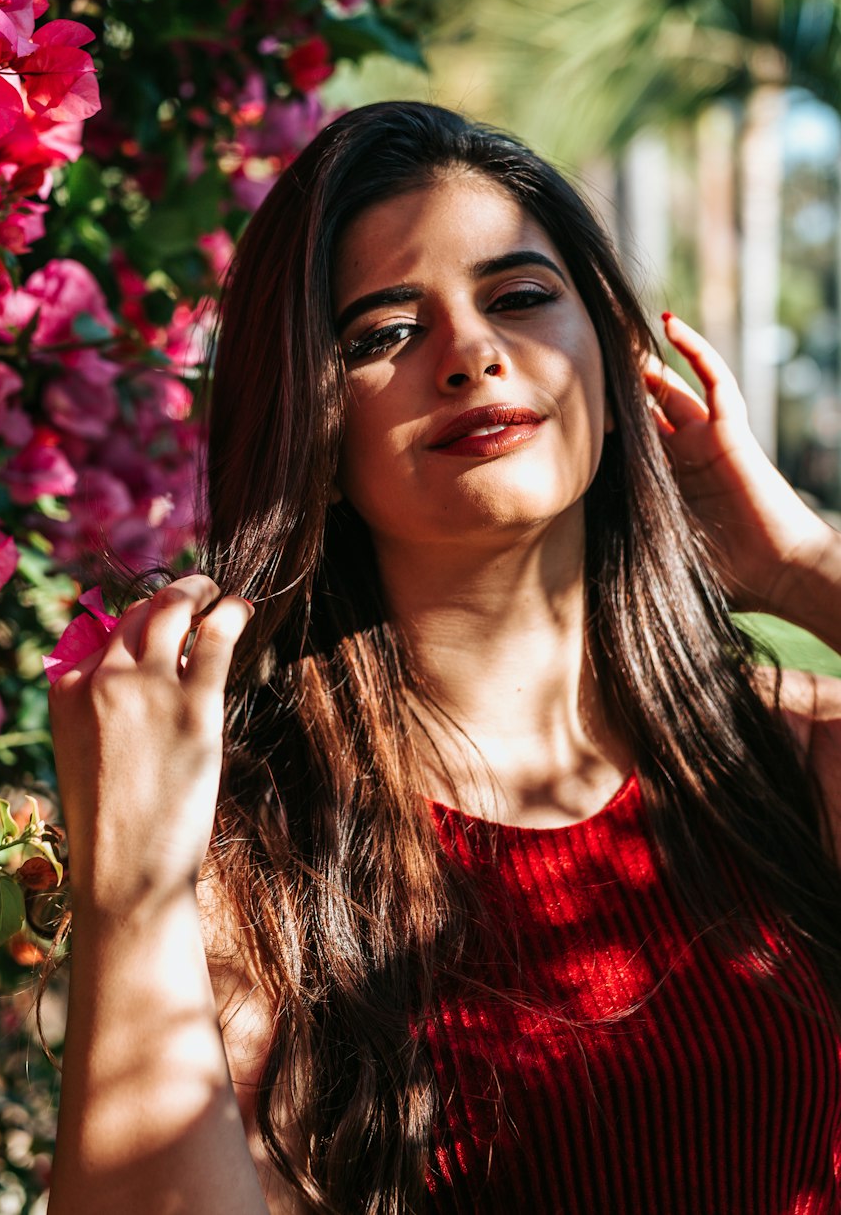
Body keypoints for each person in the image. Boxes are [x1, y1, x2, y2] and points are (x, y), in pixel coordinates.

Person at [45, 102, 841, 1215]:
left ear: (612, 370)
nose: (470, 355)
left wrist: (802, 563)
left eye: (519, 298)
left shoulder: (789, 756)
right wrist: (131, 884)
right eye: (381, 334)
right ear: (316, 437)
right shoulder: (257, 866)